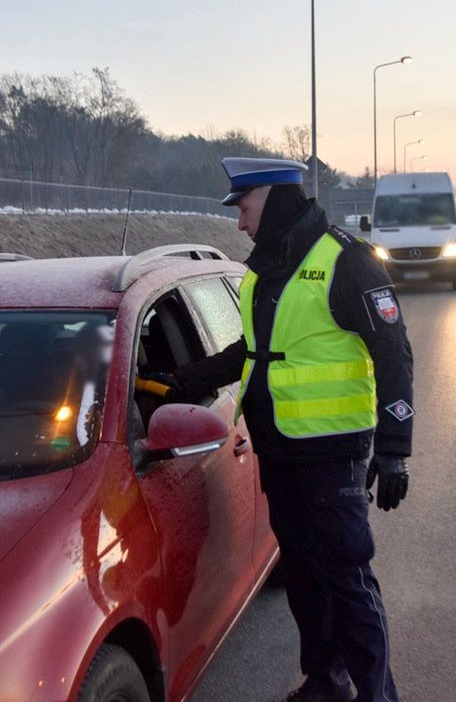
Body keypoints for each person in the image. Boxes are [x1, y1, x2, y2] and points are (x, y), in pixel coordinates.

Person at [163, 157, 414, 702]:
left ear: (274, 199)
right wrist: (183, 380)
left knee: (346, 578)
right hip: (278, 451)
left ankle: (378, 695)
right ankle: (326, 680)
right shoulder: (264, 268)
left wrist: (395, 451)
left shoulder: (347, 261)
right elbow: (252, 350)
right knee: (302, 574)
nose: (240, 223)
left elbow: (394, 354)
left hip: (333, 454)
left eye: (245, 209)